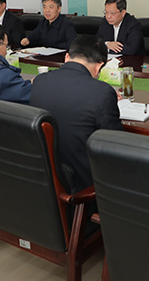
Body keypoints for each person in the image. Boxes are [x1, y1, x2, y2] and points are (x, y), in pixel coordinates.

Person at [29, 35, 123, 192]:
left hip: (43, 180)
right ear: (99, 66)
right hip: (84, 186)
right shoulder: (102, 92)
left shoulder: (39, 81)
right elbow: (116, 143)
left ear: (67, 57)